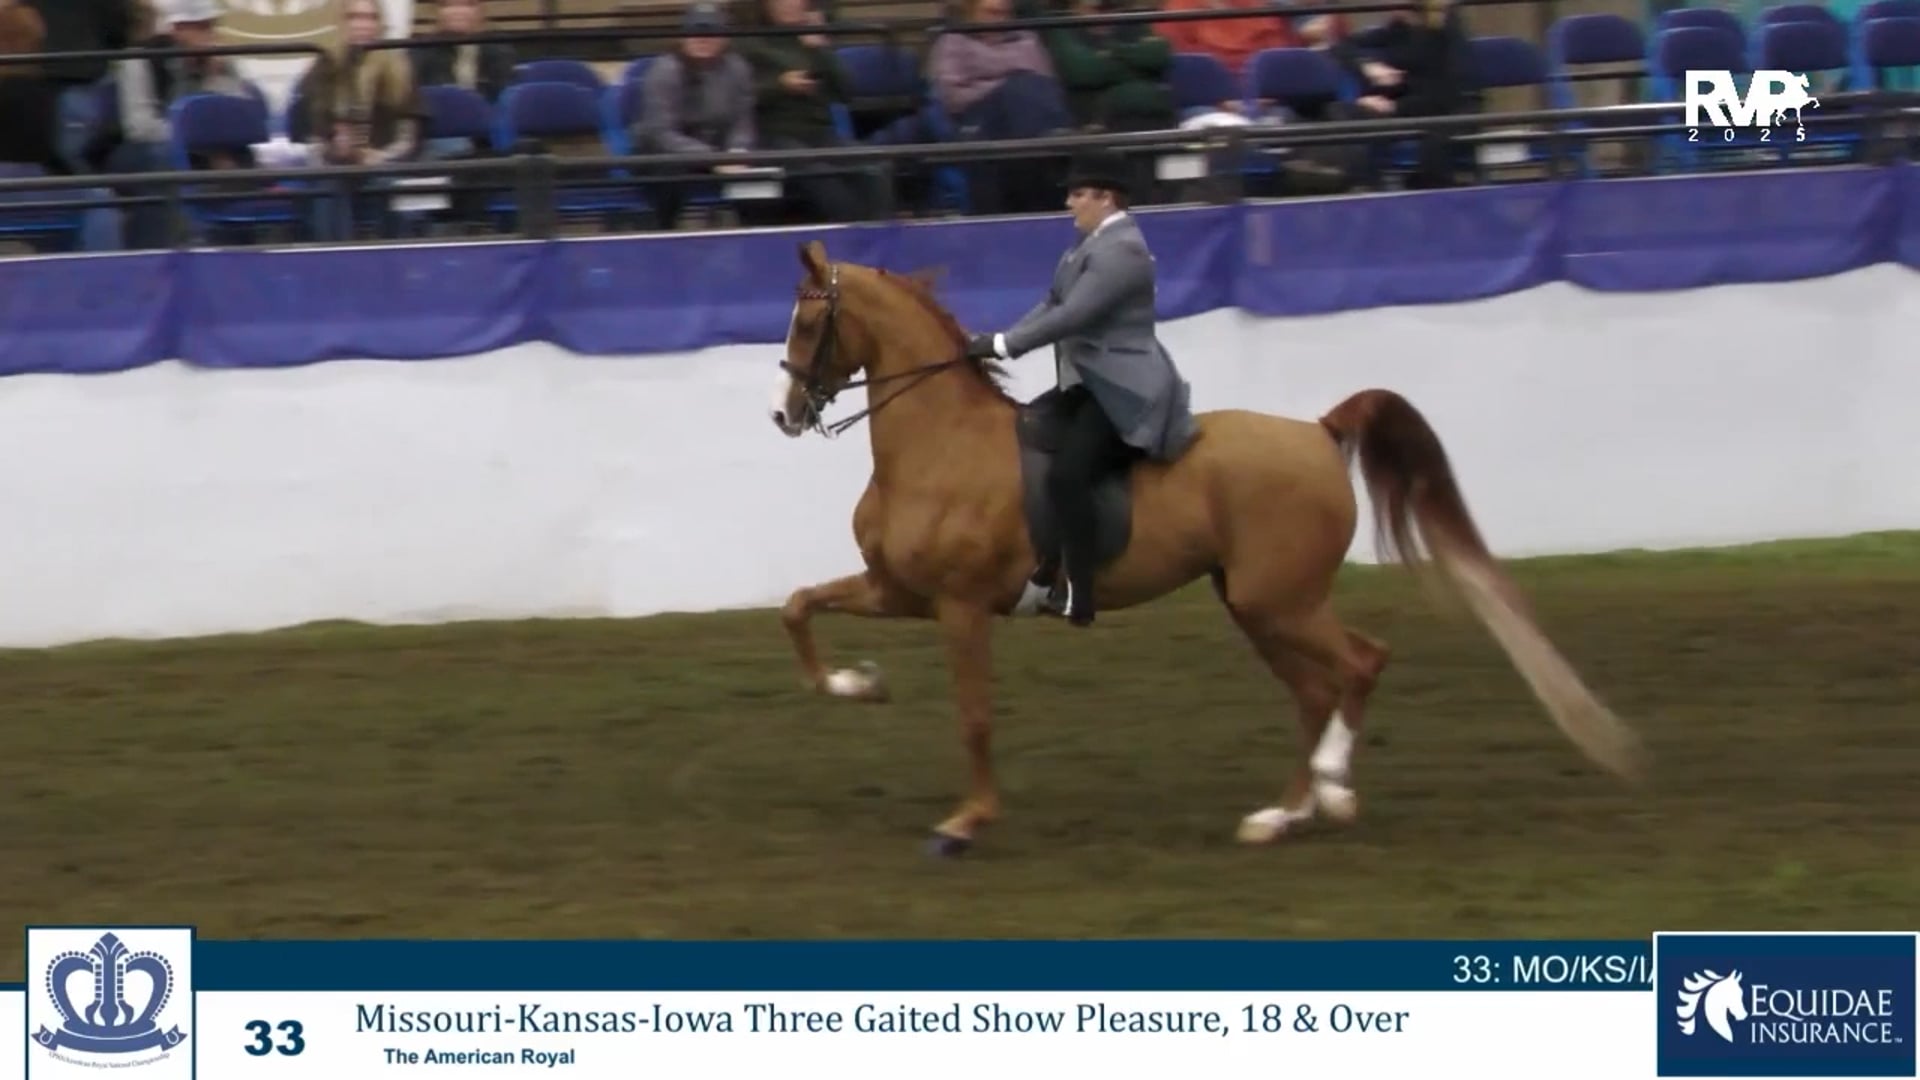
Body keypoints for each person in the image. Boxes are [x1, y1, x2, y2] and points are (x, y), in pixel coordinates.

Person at [963, 151, 1198, 628]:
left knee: (1070, 474)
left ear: (1106, 198)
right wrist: (991, 343)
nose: (1070, 203)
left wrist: (1006, 346)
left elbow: (1074, 316)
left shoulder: (1121, 251)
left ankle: (1080, 592)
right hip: (1087, 385)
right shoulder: (1083, 249)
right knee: (1025, 430)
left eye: (1077, 194)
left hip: (1124, 394)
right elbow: (1051, 303)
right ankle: (1042, 558)